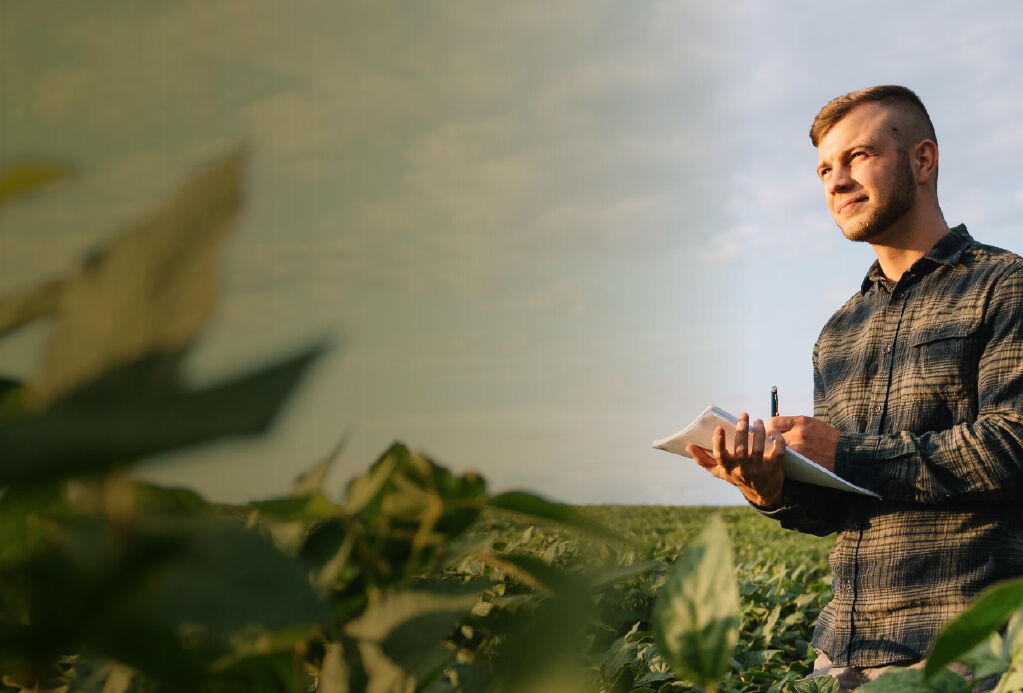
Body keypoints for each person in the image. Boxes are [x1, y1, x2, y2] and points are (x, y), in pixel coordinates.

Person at [687, 85, 1023, 689]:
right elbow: (844, 503)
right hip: (842, 655)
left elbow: (1011, 446)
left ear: (923, 161)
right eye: (824, 168)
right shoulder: (838, 331)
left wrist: (840, 450)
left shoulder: (1005, 287)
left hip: (968, 651)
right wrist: (774, 487)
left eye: (859, 156)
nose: (835, 181)